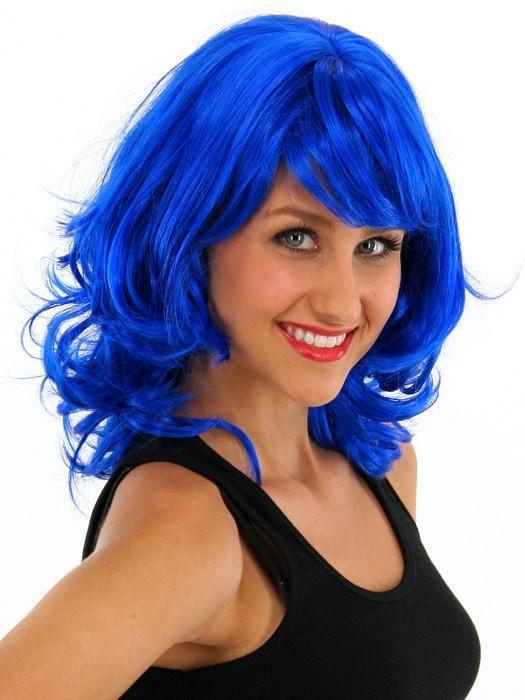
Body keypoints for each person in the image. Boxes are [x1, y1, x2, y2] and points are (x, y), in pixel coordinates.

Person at [2, 12, 501, 698]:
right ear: (189, 235)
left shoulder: (383, 466)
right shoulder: (188, 527)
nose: (343, 303)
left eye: (375, 245)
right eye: (296, 237)